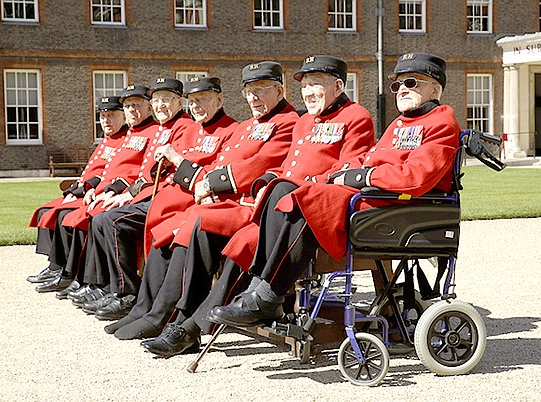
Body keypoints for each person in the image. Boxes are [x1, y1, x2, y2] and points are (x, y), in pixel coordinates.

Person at [139, 55, 376, 357]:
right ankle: (181, 317)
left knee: (243, 242)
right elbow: (286, 167)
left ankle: (191, 329)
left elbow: (347, 170)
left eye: (316, 84)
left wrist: (290, 184)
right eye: (305, 85)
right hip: (277, 205)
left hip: (311, 212)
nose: (309, 92)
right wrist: (268, 180)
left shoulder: (356, 116)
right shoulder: (306, 120)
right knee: (204, 227)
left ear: (338, 85)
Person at [207, 52, 460, 334]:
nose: (401, 90)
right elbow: (368, 159)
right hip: (374, 199)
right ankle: (259, 291)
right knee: (282, 188)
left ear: (435, 89)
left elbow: (415, 178)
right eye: (396, 85)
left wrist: (363, 177)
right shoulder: (401, 123)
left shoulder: (441, 122)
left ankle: (267, 297)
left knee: (307, 198)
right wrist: (341, 174)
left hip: (396, 205)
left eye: (410, 83)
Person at [106, 61, 300, 340]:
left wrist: (210, 184)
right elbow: (223, 162)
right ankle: (148, 309)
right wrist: (207, 184)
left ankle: (172, 317)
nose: (253, 98)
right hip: (222, 199)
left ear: (280, 90)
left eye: (261, 90)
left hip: (247, 204)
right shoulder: (248, 125)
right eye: (249, 91)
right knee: (166, 229)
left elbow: (258, 165)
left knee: (193, 222)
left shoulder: (287, 122)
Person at [76, 77, 196, 319]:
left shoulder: (184, 127)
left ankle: (127, 293)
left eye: (167, 100)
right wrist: (127, 194)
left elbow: (168, 176)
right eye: (157, 100)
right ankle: (113, 288)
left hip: (167, 199)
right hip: (147, 193)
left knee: (110, 222)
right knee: (102, 219)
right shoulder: (165, 128)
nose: (160, 105)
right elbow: (144, 174)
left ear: (179, 102)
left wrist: (129, 194)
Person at [35, 85, 158, 294]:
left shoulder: (151, 132)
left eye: (136, 105)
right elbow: (105, 169)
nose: (131, 110)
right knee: (54, 212)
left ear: (149, 108)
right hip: (105, 190)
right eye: (128, 106)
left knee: (81, 217)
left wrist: (110, 190)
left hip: (125, 194)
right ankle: (64, 270)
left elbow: (138, 173)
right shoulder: (131, 134)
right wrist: (88, 187)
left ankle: (82, 277)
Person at [27, 96, 128, 284]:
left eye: (111, 115)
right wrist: (76, 188)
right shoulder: (107, 140)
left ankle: (66, 270)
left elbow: (109, 174)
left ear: (123, 116)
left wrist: (85, 189)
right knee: (45, 211)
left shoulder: (124, 140)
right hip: (88, 190)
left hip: (99, 192)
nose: (106, 120)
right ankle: (55, 265)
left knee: (65, 215)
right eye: (103, 116)